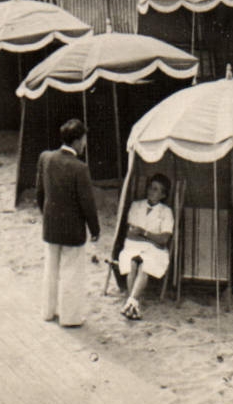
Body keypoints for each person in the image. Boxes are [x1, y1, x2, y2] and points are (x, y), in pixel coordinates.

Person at [37, 119, 101, 328]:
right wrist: (95, 229)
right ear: (76, 141)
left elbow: (40, 193)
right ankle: (70, 317)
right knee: (71, 272)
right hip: (72, 229)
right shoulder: (79, 168)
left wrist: (47, 214)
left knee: (50, 269)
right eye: (83, 140)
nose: (85, 144)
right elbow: (87, 203)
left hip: (51, 224)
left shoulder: (46, 158)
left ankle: (48, 311)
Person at [114, 174, 174, 321]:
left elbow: (164, 239)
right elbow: (130, 234)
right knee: (133, 262)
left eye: (156, 189)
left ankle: (130, 302)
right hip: (134, 245)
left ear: (163, 195)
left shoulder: (166, 212)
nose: (151, 191)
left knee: (145, 264)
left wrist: (143, 232)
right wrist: (152, 236)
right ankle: (133, 303)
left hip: (155, 250)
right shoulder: (136, 205)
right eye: (150, 187)